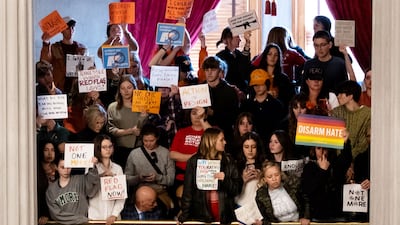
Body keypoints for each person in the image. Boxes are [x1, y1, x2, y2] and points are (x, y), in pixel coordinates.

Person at [178, 127, 242, 225]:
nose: (225, 142)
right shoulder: (194, 161)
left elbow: (237, 189)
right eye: (221, 140)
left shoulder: (229, 161)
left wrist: (225, 179)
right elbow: (188, 192)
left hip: (224, 215)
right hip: (201, 214)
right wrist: (184, 217)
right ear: (211, 142)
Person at [301, 131, 353, 222]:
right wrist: (322, 171)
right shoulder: (309, 167)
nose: (322, 151)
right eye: (318, 148)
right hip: (318, 217)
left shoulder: (335, 163)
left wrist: (345, 142)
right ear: (314, 150)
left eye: (324, 148)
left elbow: (346, 158)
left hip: (337, 215)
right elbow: (308, 190)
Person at [125, 123, 175, 215]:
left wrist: (157, 177)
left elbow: (171, 180)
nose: (148, 143)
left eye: (151, 140)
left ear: (157, 138)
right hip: (140, 192)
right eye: (145, 141)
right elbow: (126, 179)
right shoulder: (134, 154)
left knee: (159, 211)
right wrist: (139, 178)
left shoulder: (166, 153)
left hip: (159, 193)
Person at [107, 74, 148, 169]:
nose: (126, 91)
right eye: (123, 88)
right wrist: (129, 131)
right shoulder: (112, 107)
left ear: (134, 88)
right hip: (119, 150)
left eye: (129, 87)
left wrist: (143, 117)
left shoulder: (142, 106)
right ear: (119, 90)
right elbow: (110, 129)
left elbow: (145, 128)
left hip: (139, 148)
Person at [46, 154, 100, 225]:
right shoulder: (51, 190)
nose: (66, 170)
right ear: (56, 167)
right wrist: (80, 219)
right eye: (63, 167)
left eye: (68, 167)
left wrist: (92, 167)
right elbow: (56, 214)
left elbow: (92, 190)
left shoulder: (80, 180)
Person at [169, 107, 211, 194]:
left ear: (205, 115)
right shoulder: (181, 132)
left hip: (204, 176)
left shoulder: (211, 130)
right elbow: (172, 154)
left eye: (200, 114)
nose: (196, 117)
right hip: (182, 177)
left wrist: (203, 119)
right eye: (194, 113)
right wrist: (192, 157)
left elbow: (213, 138)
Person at [41, 16, 87, 93]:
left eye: (73, 28)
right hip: (59, 89)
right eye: (67, 28)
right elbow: (44, 63)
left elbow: (89, 70)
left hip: (77, 91)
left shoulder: (82, 49)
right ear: (61, 30)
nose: (71, 31)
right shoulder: (54, 48)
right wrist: (46, 43)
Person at [255, 160, 310, 225]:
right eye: (270, 177)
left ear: (281, 174)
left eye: (277, 175)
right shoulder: (261, 195)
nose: (274, 179)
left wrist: (306, 217)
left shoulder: (292, 184)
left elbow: (306, 200)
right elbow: (266, 218)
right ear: (265, 179)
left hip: (299, 223)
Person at [240, 69, 285, 146]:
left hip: (271, 145)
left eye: (260, 84)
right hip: (250, 144)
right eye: (255, 85)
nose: (257, 87)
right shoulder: (246, 105)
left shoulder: (276, 105)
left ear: (266, 84)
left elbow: (280, 129)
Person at [202, 56, 240, 146]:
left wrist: (214, 113)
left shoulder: (230, 91)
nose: (209, 73)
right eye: (207, 70)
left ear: (220, 71)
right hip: (202, 134)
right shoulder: (199, 89)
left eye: (213, 69)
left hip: (224, 135)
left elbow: (234, 117)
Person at [88, 134, 125, 225]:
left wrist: (114, 214)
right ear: (98, 148)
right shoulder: (90, 167)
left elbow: (122, 196)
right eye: (104, 147)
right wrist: (100, 176)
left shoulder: (118, 168)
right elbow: (88, 190)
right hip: (94, 217)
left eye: (110, 146)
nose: (108, 149)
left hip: (113, 218)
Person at [332, 80, 371, 159]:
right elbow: (335, 141)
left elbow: (364, 143)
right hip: (339, 160)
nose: (338, 96)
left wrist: (349, 160)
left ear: (350, 96)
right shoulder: (336, 112)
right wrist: (344, 161)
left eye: (341, 93)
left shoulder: (367, 113)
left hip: (360, 159)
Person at [257, 43, 295, 109]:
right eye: (270, 54)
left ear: (279, 58)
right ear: (265, 57)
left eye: (276, 55)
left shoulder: (284, 78)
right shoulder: (257, 76)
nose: (272, 57)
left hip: (279, 111)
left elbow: (290, 99)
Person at [216, 27, 252, 94]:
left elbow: (245, 64)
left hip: (243, 92)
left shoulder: (238, 54)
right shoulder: (220, 57)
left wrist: (247, 42)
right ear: (228, 39)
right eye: (237, 37)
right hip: (228, 92)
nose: (240, 40)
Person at [235, 132, 266, 208]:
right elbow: (231, 189)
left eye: (253, 147)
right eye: (246, 147)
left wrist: (261, 179)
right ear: (242, 148)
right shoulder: (236, 165)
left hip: (259, 206)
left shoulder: (265, 164)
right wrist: (242, 180)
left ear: (258, 147)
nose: (250, 150)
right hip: (241, 204)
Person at [37, 140, 58, 225]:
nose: (50, 153)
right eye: (46, 150)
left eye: (52, 150)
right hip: (40, 214)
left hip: (56, 214)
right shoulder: (35, 169)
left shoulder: (59, 168)